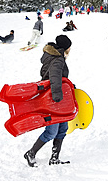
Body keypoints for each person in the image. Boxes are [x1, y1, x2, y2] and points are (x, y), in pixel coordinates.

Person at [24, 35, 72, 167]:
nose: (70, 50)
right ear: (65, 48)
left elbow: (60, 79)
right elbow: (54, 78)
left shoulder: (56, 57)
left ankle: (55, 157)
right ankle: (31, 153)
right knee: (51, 131)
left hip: (60, 100)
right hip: (54, 100)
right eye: (69, 47)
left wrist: (70, 88)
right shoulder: (57, 60)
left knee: (63, 128)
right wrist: (57, 96)